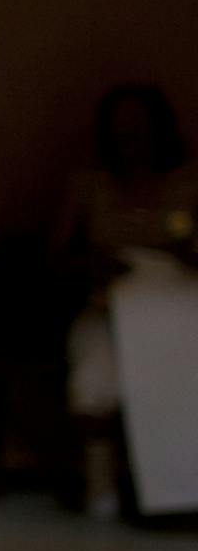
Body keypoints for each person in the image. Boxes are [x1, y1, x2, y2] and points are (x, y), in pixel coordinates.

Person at [56, 83, 198, 516]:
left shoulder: (188, 184)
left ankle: (179, 492)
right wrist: (96, 265)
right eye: (122, 129)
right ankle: (103, 489)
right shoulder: (89, 186)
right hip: (111, 305)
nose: (131, 137)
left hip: (179, 311)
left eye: (140, 127)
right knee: (95, 384)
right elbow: (56, 256)